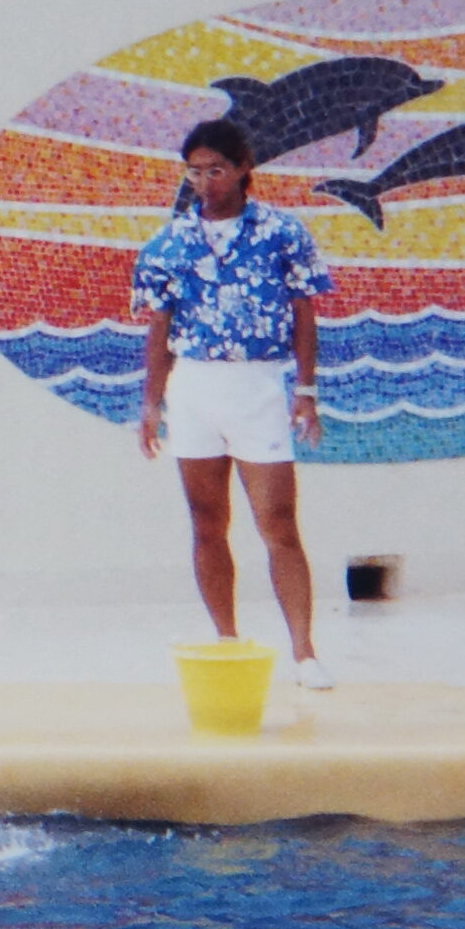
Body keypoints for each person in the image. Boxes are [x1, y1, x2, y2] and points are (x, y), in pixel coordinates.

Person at [133, 117, 334, 689]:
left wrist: (306, 389)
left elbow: (303, 312)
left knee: (277, 521)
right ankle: (226, 637)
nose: (205, 182)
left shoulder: (281, 232)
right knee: (206, 520)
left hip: (258, 383)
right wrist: (152, 404)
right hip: (194, 385)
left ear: (245, 168)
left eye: (216, 169)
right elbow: (159, 325)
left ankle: (303, 651)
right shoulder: (170, 241)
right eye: (195, 171)